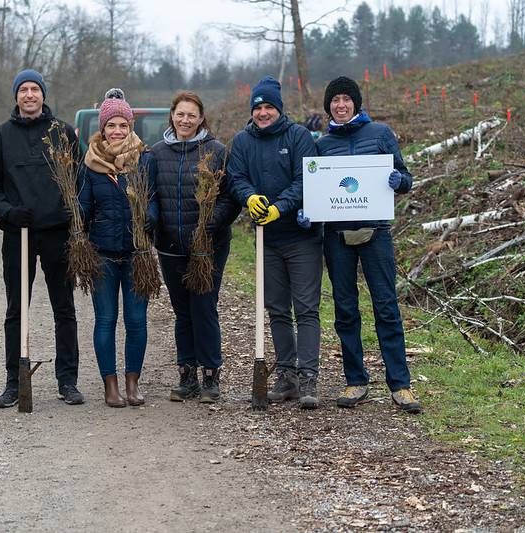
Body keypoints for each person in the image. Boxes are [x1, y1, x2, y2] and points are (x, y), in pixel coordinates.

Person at [315, 76, 421, 414]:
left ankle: (400, 385)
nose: (341, 105)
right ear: (328, 106)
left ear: (356, 103)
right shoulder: (322, 145)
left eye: (347, 99)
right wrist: (309, 211)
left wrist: (398, 180)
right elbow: (314, 188)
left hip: (376, 234)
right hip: (336, 238)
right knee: (346, 310)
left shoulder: (380, 134)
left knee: (386, 307)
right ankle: (355, 380)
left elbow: (406, 178)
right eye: (335, 100)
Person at [0, 69, 84, 407]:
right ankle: (15, 380)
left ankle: (67, 381)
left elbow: (80, 177)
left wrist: (71, 210)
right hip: (18, 234)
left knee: (64, 308)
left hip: (57, 234)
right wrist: (7, 211)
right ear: (16, 96)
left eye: (34, 89)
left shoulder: (62, 133)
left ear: (43, 95)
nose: (29, 95)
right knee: (16, 310)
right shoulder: (0, 138)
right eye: (23, 90)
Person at [227, 76, 322, 409]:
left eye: (269, 107)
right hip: (266, 241)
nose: (263, 113)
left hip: (301, 238)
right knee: (278, 310)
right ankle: (287, 377)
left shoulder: (298, 137)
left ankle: (309, 377)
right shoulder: (241, 141)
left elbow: (305, 180)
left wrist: (280, 207)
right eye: (258, 107)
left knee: (306, 309)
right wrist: (249, 196)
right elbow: (235, 177)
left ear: (279, 109)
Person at [149, 90, 240, 404]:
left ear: (201, 118)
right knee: (182, 312)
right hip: (171, 246)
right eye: (180, 114)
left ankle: (211, 374)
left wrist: (212, 223)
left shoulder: (215, 151)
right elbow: (152, 198)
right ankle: (186, 374)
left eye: (191, 115)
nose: (185, 120)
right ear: (172, 115)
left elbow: (231, 197)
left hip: (208, 246)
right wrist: (151, 223)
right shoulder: (157, 153)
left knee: (203, 307)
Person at [77, 89, 150, 408]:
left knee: (136, 320)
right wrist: (75, 218)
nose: (117, 130)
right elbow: (82, 206)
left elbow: (155, 201)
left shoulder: (143, 160)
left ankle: (133, 381)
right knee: (105, 319)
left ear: (130, 126)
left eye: (123, 124)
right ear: (102, 128)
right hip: (102, 254)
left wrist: (150, 218)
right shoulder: (91, 165)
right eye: (111, 125)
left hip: (138, 255)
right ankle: (110, 384)